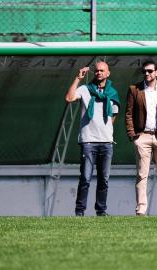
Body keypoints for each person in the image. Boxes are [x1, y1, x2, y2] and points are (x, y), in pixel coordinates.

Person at [65, 61, 120, 216]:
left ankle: (101, 211)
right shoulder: (84, 89)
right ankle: (80, 211)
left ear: (108, 73)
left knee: (104, 179)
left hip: (106, 142)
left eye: (102, 70)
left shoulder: (112, 93)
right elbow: (69, 98)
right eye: (96, 71)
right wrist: (78, 78)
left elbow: (113, 115)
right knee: (85, 178)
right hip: (88, 141)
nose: (99, 73)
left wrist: (105, 130)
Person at [125, 60, 157, 216]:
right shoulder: (134, 89)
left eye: (149, 71)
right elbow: (128, 113)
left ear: (156, 72)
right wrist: (132, 135)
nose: (146, 74)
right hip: (142, 137)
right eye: (144, 71)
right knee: (142, 174)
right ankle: (141, 209)